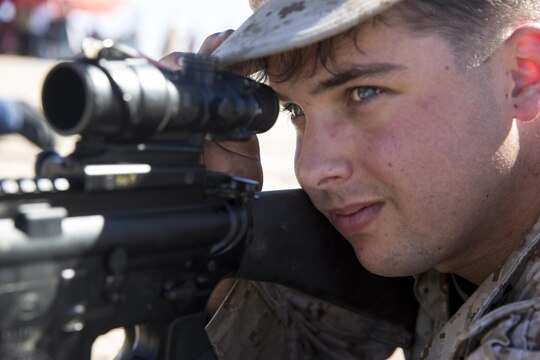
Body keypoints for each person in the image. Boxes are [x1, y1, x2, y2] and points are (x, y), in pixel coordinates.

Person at [163, 0, 540, 358]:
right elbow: (307, 345)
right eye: (295, 109)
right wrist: (221, 242)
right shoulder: (437, 229)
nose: (312, 169)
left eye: (364, 93)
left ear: (523, 74)